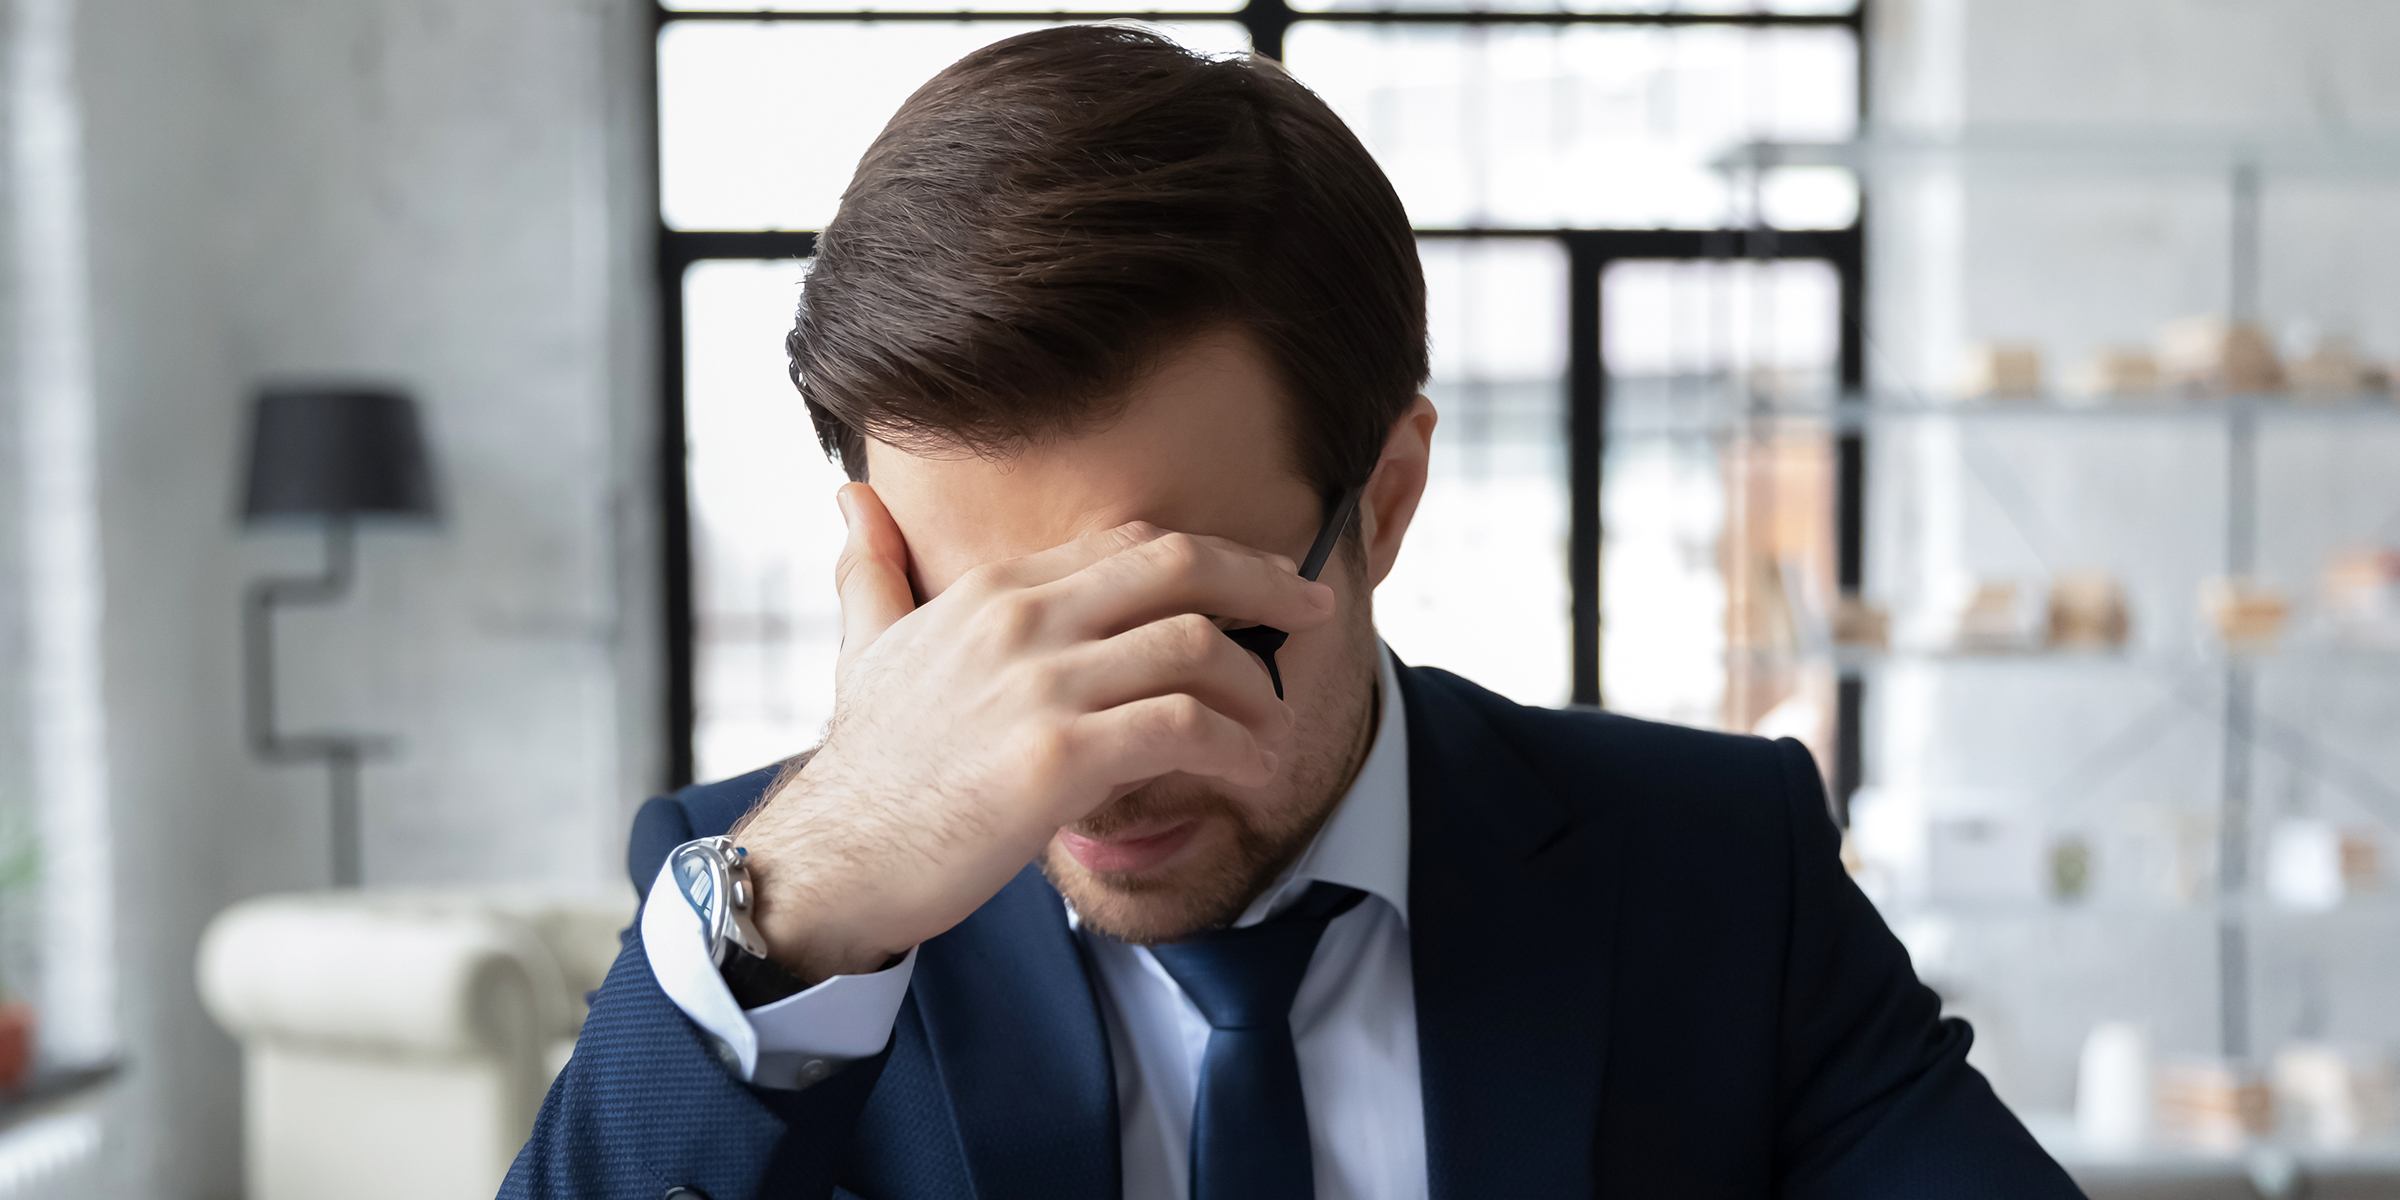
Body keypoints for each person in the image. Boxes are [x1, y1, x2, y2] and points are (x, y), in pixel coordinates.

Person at [503, 24, 2082, 1200]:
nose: (1090, 758)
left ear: (1381, 506)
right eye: (972, 632)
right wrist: (804, 893)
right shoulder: (781, 926)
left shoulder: (1716, 868)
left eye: (1182, 618)